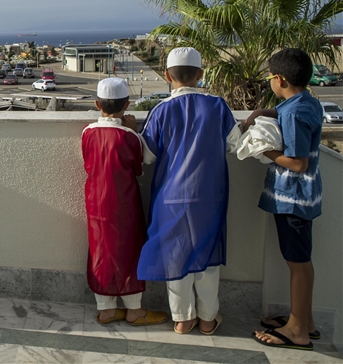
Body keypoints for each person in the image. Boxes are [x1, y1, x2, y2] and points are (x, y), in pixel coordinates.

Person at [138, 47, 240, 335]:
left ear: (168, 76)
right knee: (207, 254)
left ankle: (182, 318)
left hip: (170, 199)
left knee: (175, 255)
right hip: (210, 197)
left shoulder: (160, 110)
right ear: (201, 74)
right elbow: (236, 144)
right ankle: (208, 318)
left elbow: (147, 156)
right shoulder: (218, 106)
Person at [247, 48, 323, 352]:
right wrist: (263, 113)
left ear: (278, 79)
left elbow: (298, 162)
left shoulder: (293, 113)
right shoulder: (308, 103)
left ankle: (296, 331)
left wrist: (263, 151)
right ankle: (305, 320)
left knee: (298, 263)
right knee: (300, 261)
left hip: (292, 199)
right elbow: (289, 113)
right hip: (305, 197)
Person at [81, 78, 168, 326]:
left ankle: (106, 309)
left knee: (100, 250)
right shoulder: (129, 136)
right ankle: (134, 309)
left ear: (97, 104)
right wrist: (136, 131)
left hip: (95, 202)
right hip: (124, 203)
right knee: (129, 250)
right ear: (127, 105)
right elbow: (144, 162)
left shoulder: (87, 132)